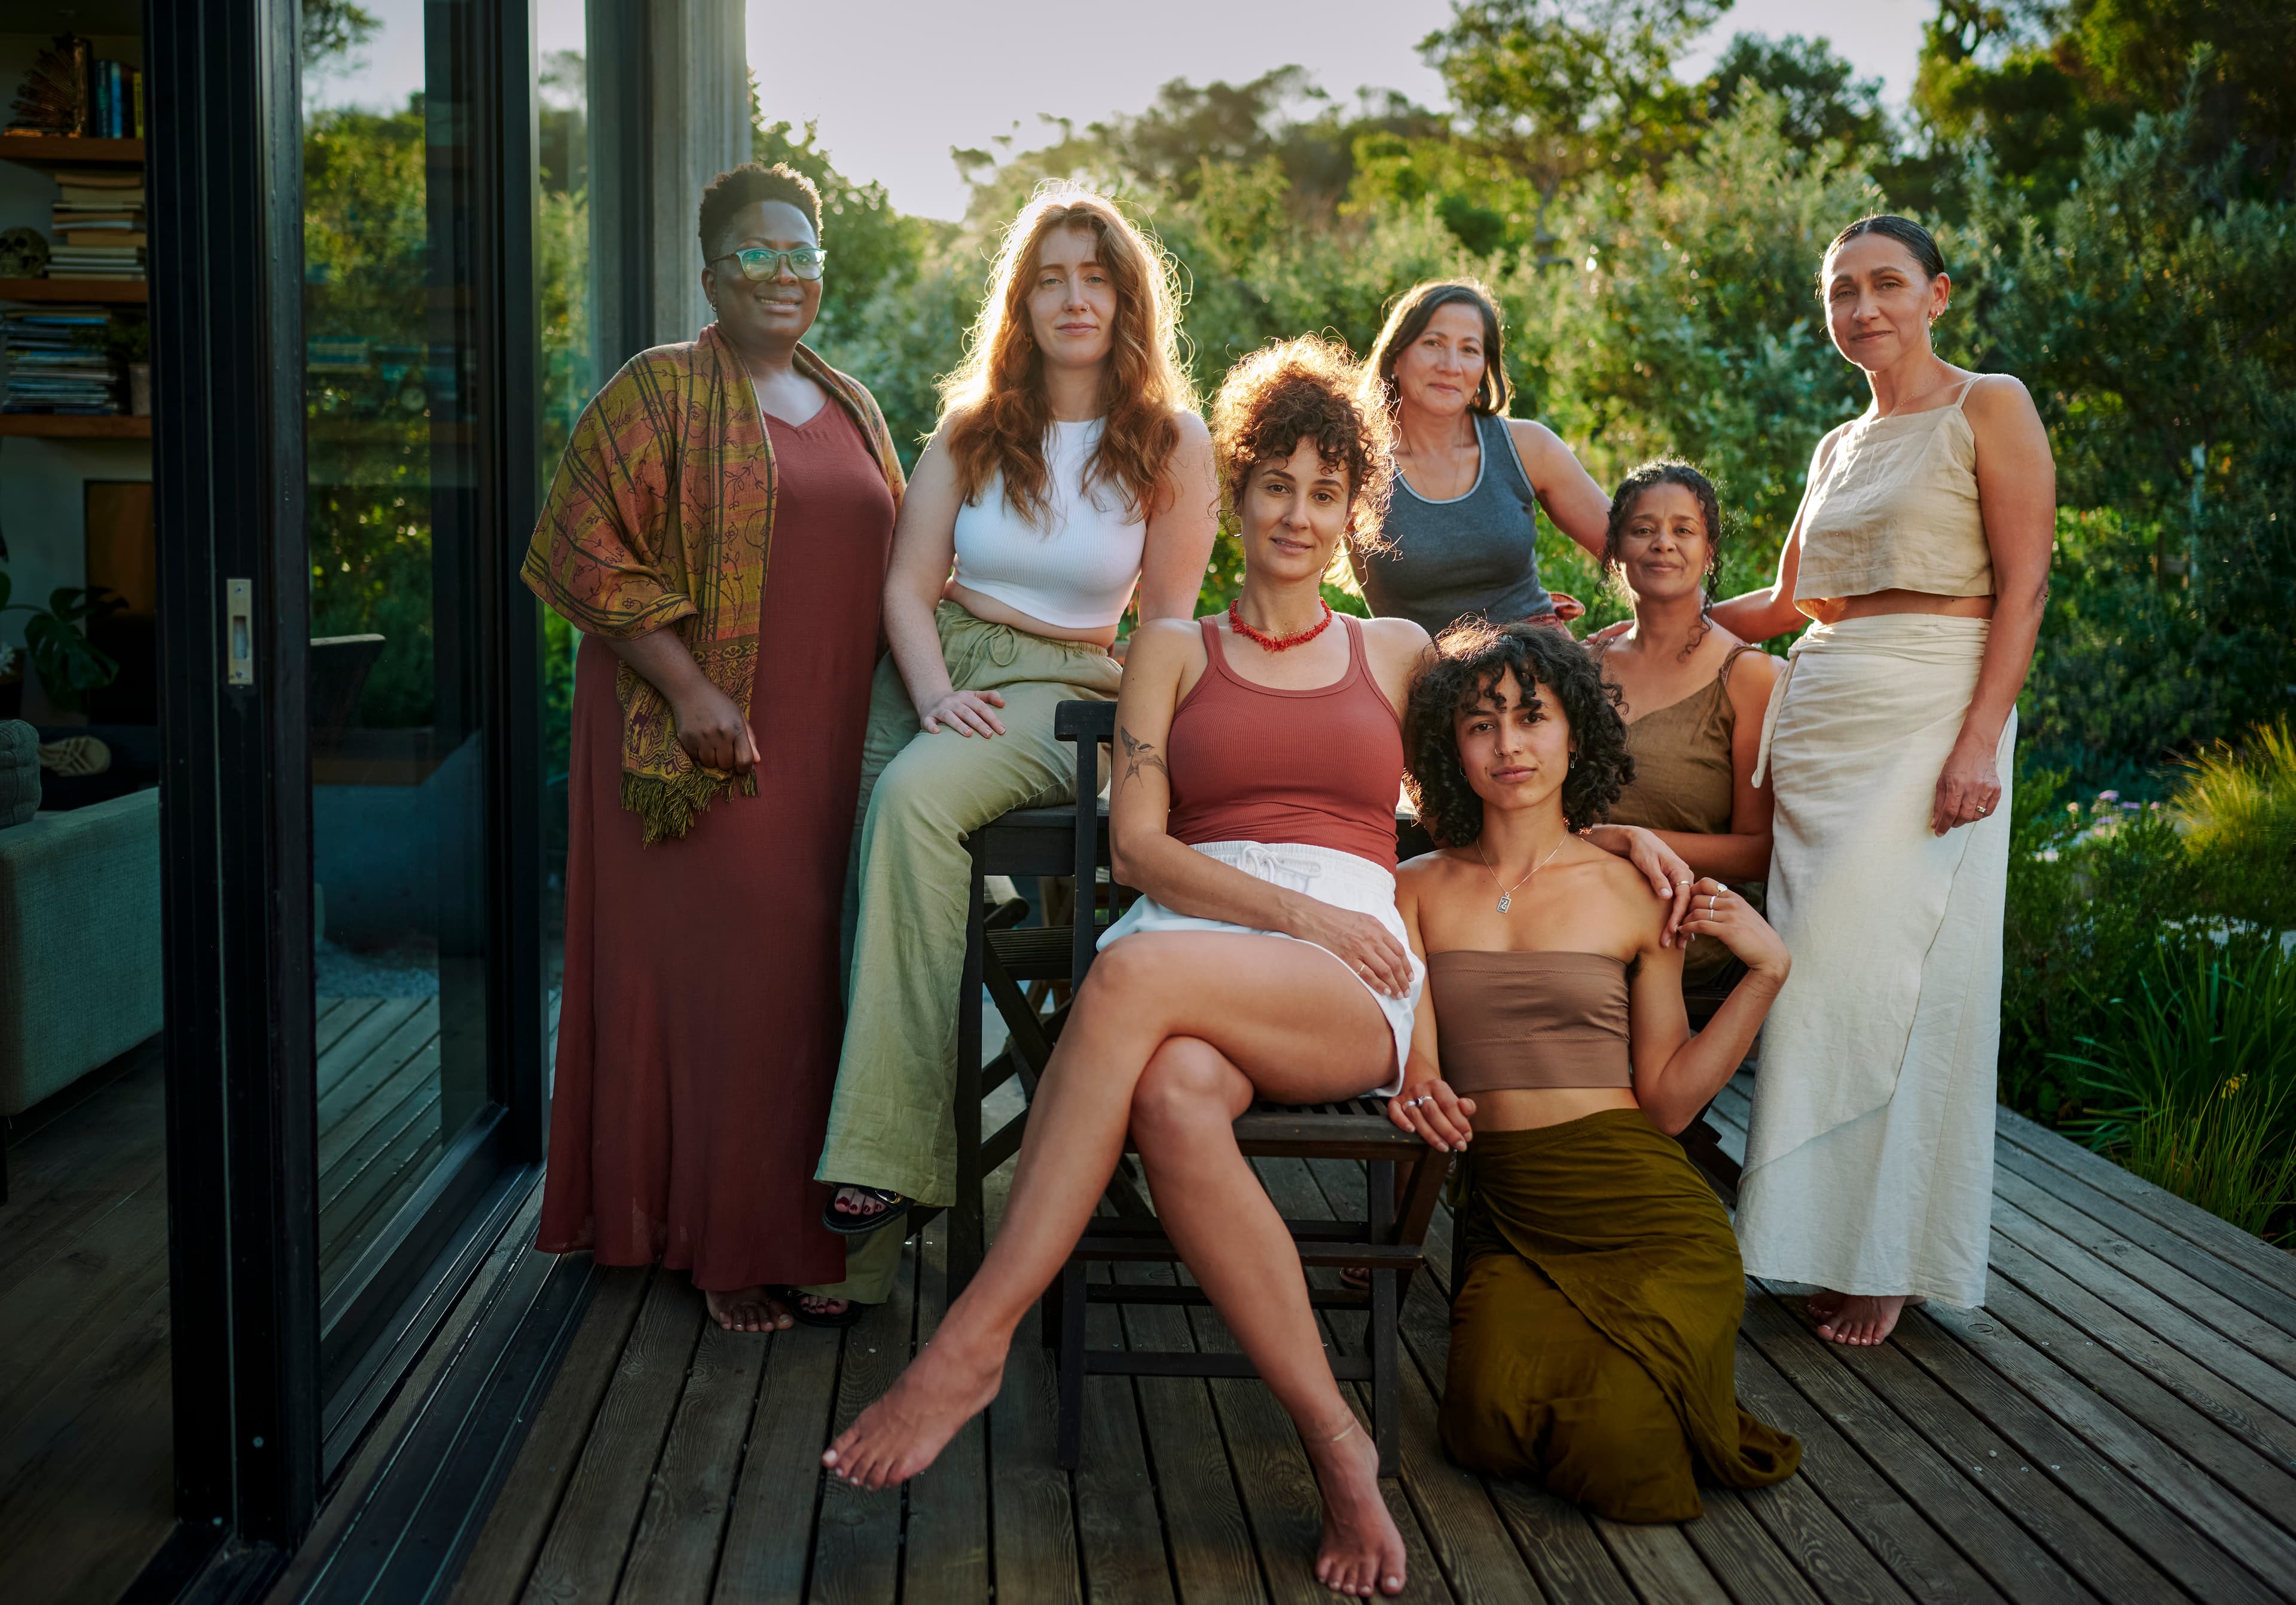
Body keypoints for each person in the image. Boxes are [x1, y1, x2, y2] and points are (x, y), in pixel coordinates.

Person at [817, 339, 1697, 1598]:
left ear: (1356, 512)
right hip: (1202, 932)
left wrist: (1618, 834)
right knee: (1171, 1087)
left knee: (1121, 991)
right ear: (1234, 496)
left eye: (1327, 490)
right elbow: (1137, 845)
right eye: (1274, 484)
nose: (1298, 512)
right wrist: (1282, 911)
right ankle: (1338, 1440)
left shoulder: (1396, 652)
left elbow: (1513, 769)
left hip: (1348, 960)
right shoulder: (1170, 652)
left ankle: (976, 1339)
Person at [812, 185, 1218, 1308]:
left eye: (1096, 276)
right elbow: (906, 584)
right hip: (937, 663)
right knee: (848, 877)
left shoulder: (1170, 441)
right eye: (1051, 277)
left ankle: (880, 1173)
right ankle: (856, 1249)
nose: (1074, 296)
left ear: (1127, 298)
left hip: (1067, 686)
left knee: (911, 808)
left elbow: (1167, 627)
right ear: (1022, 299)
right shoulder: (971, 423)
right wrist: (935, 692)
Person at [523, 163, 905, 1334]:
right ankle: (729, 1247)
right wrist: (689, 688)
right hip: (704, 736)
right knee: (738, 985)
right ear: (711, 274)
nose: (781, 275)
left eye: (801, 255)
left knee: (805, 983)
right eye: (755, 253)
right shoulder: (659, 392)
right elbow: (575, 548)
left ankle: (784, 1226)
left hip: (839, 738)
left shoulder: (850, 402)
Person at [1695, 215, 2055, 1345]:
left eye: (1886, 283)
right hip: (1825, 723)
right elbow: (1789, 597)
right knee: (1815, 991)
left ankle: (1892, 1253)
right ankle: (1813, 1237)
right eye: (1842, 291)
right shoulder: (1838, 445)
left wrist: (1976, 741)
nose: (1862, 307)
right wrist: (1649, 628)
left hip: (1930, 711)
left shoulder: (1988, 403)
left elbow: (2027, 588)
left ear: (1937, 294)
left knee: (1906, 986)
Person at [1391, 620, 1800, 1522]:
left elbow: (1666, 1103)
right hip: (1510, 1210)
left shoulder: (1633, 891)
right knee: (1483, 1425)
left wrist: (1767, 974)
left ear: (1575, 733)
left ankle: (1640, 1394)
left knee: (1622, 1458)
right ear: (1449, 747)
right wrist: (1417, 1074)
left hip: (1648, 1212)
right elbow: (1414, 1053)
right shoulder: (1411, 889)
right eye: (1481, 723)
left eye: (1532, 718)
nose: (1509, 745)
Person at [1587, 461, 1778, 988]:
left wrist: (1629, 839)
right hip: (1572, 918)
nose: (1663, 543)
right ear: (1615, 551)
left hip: (1685, 939)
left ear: (1709, 551)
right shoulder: (1581, 667)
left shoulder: (1750, 677)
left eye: (1683, 530)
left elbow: (1760, 852)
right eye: (1643, 529)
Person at [1351, 279, 1609, 636]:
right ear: (1396, 355)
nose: (1451, 365)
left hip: (1542, 666)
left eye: (1469, 350)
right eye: (1432, 343)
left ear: (1484, 367)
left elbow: (1631, 548)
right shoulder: (1357, 461)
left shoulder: (1529, 447)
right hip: (1423, 678)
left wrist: (1649, 639)